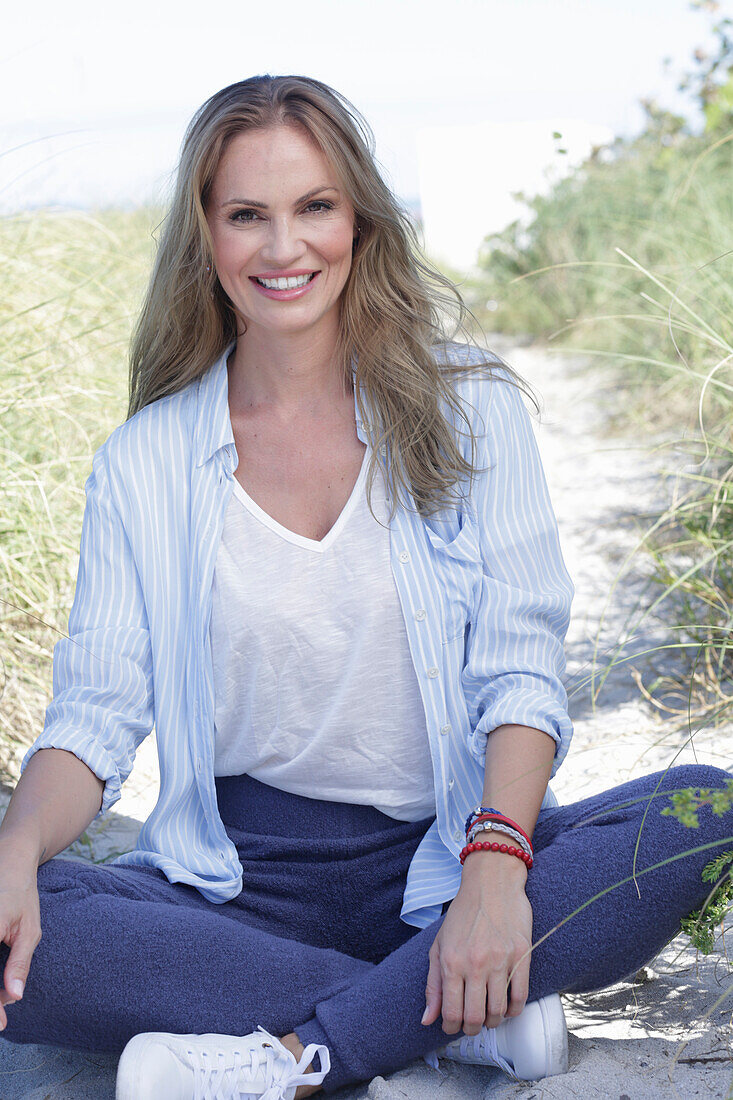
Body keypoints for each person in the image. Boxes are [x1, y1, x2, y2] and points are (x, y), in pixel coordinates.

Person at [0, 74, 731, 1100]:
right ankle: (457, 1016)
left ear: (360, 221)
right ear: (205, 236)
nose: (283, 246)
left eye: (314, 207)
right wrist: (18, 844)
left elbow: (521, 674)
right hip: (237, 889)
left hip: (446, 854)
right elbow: (93, 716)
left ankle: (310, 1049)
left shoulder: (472, 410)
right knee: (21, 920)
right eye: (246, 214)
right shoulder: (144, 461)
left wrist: (491, 873)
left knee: (702, 808)